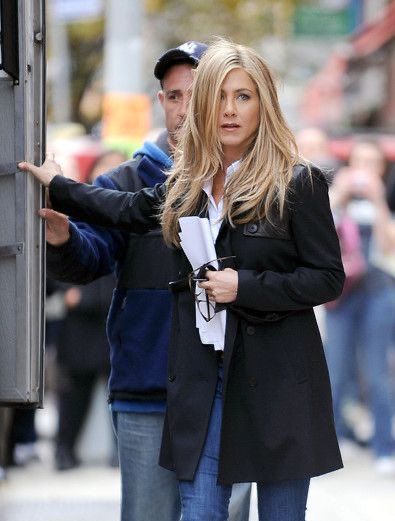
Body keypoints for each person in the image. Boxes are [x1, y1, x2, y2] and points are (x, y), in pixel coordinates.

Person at [20, 39, 345, 521]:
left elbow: (327, 279)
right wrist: (60, 187)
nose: (229, 111)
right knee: (200, 511)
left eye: (244, 97)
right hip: (203, 379)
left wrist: (245, 286)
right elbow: (125, 209)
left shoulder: (297, 182)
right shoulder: (187, 183)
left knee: (280, 513)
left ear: (264, 105)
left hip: (278, 380)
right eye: (218, 97)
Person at [23, 42, 251, 520]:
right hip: (149, 389)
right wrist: (63, 239)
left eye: (196, 93)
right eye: (173, 96)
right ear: (161, 102)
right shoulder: (123, 182)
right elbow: (89, 262)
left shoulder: (257, 185)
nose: (184, 108)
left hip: (231, 390)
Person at [324, 139, 395, 475]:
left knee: (377, 370)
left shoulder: (385, 201)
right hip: (341, 293)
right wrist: (341, 193)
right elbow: (319, 230)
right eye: (359, 161)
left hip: (378, 291)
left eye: (373, 162)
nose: (365, 169)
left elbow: (387, 247)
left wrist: (378, 198)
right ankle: (336, 437)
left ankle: (384, 445)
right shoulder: (337, 197)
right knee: (335, 367)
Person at [54, 151, 126, 471]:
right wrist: (68, 293)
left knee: (119, 390)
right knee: (75, 392)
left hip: (116, 315)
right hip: (82, 318)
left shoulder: (132, 210)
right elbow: (58, 253)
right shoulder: (77, 208)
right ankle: (64, 449)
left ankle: (119, 451)